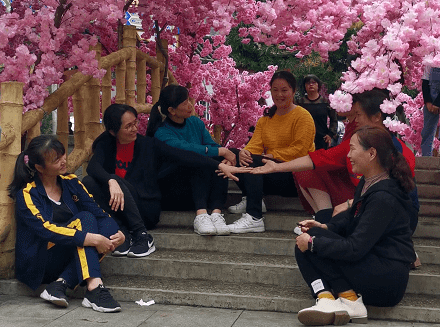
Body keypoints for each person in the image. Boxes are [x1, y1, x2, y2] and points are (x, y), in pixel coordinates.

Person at [294, 126, 416, 326]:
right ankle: (329, 297)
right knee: (307, 240)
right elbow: (352, 218)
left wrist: (314, 243)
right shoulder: (370, 183)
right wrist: (325, 228)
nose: (348, 155)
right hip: (372, 265)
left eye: (352, 149)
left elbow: (355, 248)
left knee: (310, 246)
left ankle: (339, 298)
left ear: (372, 153)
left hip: (385, 280)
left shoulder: (384, 197)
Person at [251, 89, 419, 233]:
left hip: (393, 214)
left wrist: (347, 205)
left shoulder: (399, 151)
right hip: (362, 205)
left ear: (376, 117)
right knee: (306, 171)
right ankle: (324, 220)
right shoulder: (357, 143)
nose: (356, 120)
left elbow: (395, 194)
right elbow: (321, 158)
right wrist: (276, 167)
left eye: (359, 114)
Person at [8, 135, 123, 313]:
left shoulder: (71, 182)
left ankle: (61, 284)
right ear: (39, 167)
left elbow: (99, 214)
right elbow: (45, 229)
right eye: (56, 160)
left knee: (104, 226)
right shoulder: (28, 193)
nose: (63, 161)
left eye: (63, 155)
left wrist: (118, 233)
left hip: (69, 251)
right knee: (85, 219)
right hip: (41, 261)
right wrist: (90, 238)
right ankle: (94, 288)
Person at [226, 70, 316, 234]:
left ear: (294, 91)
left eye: (284, 90)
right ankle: (253, 197)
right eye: (275, 90)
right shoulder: (266, 119)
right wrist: (244, 152)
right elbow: (255, 145)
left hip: (294, 176)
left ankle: (254, 217)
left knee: (255, 161)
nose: (279, 94)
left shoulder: (303, 116)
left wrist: (273, 156)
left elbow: (301, 150)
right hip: (270, 170)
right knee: (233, 153)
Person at [147, 85, 237, 236]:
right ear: (171, 110)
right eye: (184, 103)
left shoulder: (196, 123)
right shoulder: (162, 133)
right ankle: (201, 215)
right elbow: (187, 150)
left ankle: (216, 213)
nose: (190, 105)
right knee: (197, 159)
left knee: (219, 157)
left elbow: (212, 146)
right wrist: (221, 151)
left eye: (189, 100)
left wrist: (225, 155)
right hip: (174, 191)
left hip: (199, 187)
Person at [297, 75, 338, 150]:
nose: (311, 85)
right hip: (303, 139)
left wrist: (330, 134)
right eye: (308, 83)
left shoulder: (326, 102)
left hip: (322, 139)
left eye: (313, 82)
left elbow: (334, 119)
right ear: (305, 86)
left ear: (318, 85)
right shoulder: (299, 102)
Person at [421, 65, 440, 156]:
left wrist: (438, 103)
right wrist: (428, 101)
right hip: (431, 100)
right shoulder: (430, 59)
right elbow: (425, 80)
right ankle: (426, 159)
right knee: (427, 132)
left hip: (435, 101)